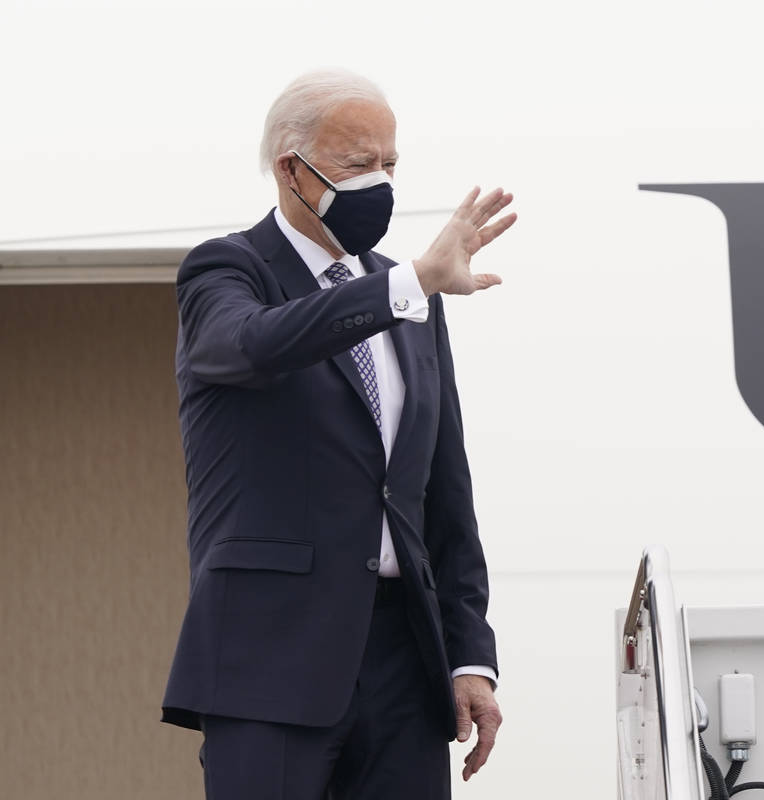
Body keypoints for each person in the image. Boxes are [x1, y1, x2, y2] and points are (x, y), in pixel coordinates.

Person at [161, 69, 514, 800]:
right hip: (269, 655)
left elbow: (443, 493)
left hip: (403, 661)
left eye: (390, 164)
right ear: (291, 169)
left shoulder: (411, 297)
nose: (379, 182)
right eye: (358, 164)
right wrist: (408, 284)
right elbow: (254, 345)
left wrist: (469, 658)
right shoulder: (227, 270)